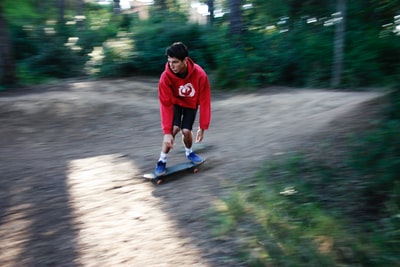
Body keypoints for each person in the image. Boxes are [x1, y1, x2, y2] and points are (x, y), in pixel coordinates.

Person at [154, 42, 211, 176]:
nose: (171, 65)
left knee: (186, 131)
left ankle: (189, 152)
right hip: (174, 103)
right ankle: (161, 160)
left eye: (175, 62)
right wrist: (167, 132)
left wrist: (202, 127)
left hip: (191, 104)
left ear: (185, 60)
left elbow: (205, 101)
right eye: (169, 62)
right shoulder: (165, 78)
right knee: (174, 129)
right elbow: (166, 104)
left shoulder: (200, 75)